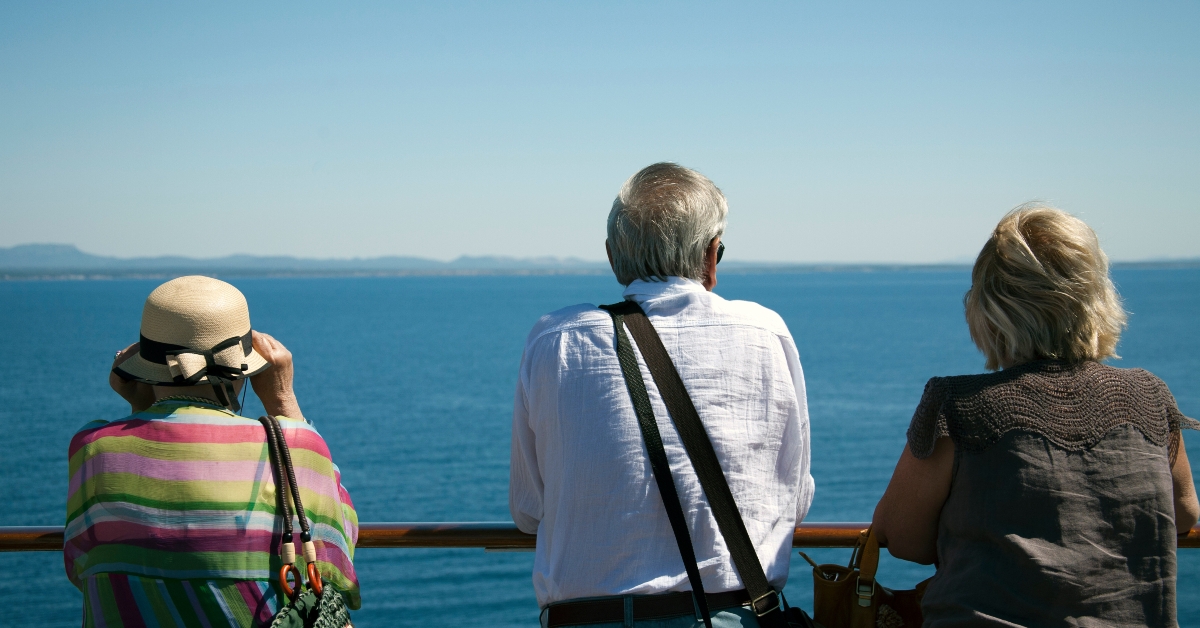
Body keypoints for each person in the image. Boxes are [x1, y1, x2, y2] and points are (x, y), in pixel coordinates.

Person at [510, 162, 814, 627]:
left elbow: (528, 510)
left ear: (613, 258)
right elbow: (794, 500)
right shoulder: (766, 333)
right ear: (712, 256)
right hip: (732, 617)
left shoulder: (556, 340)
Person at [872, 204, 1200, 626]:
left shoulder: (958, 404)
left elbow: (901, 537)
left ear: (989, 308)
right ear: (1096, 299)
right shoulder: (1148, 395)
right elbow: (1185, 513)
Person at [65, 275, 360, 627]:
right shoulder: (292, 448)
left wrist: (140, 408)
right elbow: (340, 543)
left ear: (143, 365)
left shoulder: (92, 448)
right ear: (247, 368)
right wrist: (283, 401)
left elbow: (83, 565)